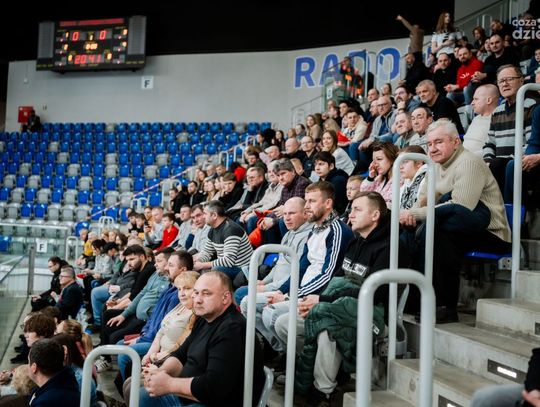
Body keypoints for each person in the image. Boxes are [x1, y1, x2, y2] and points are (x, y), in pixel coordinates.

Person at [294, 191, 409, 404]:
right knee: (285, 323)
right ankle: (316, 373)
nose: (351, 214)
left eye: (357, 209)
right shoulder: (355, 242)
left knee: (327, 330)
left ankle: (323, 392)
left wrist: (323, 301)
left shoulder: (392, 247)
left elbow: (373, 293)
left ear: (375, 215)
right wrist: (318, 299)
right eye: (352, 209)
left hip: (373, 316)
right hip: (340, 306)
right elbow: (338, 279)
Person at [400, 119, 511, 322]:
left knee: (440, 234)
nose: (433, 149)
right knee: (410, 231)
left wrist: (415, 214)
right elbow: (422, 200)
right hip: (457, 226)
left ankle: (444, 306)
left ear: (456, 142)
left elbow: (462, 207)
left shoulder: (468, 162)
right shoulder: (434, 166)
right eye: (429, 144)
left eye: (439, 142)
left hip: (491, 231)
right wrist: (410, 215)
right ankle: (414, 300)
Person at [140, 271, 265, 407]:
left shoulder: (232, 329)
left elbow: (214, 388)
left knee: (142, 396)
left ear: (225, 298)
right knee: (135, 386)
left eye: (206, 294)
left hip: (214, 402)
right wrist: (161, 372)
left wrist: (169, 384)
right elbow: (180, 355)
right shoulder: (204, 318)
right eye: (196, 293)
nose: (198, 300)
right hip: (193, 395)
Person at [261, 181, 354, 352]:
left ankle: (297, 359)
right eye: (306, 200)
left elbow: (328, 275)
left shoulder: (337, 231)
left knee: (272, 314)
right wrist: (282, 292)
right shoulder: (314, 230)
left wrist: (290, 296)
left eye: (312, 201)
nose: (306, 206)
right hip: (302, 292)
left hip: (316, 295)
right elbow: (302, 268)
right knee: (253, 304)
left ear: (328, 203)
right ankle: (286, 356)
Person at [193, 200, 253, 278]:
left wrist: (202, 265)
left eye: (205, 213)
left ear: (214, 215)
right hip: (229, 267)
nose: (203, 217)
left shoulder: (231, 230)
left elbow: (228, 261)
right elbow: (206, 253)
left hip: (243, 270)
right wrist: (197, 262)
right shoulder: (212, 230)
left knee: (216, 270)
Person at [27, 338, 80, 407]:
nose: (27, 366)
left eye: (28, 362)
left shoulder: (44, 403)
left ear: (34, 367)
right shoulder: (67, 380)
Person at [463, 84, 500, 156]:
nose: (472, 103)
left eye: (476, 99)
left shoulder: (499, 119)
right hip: (464, 157)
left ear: (489, 100)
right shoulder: (476, 118)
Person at [360, 141, 399, 206]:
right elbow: (364, 194)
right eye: (373, 160)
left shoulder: (399, 179)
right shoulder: (379, 179)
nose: (375, 164)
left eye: (379, 159)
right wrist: (370, 178)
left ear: (392, 159)